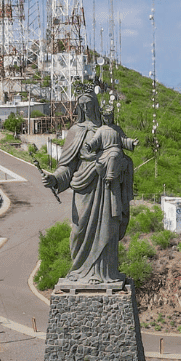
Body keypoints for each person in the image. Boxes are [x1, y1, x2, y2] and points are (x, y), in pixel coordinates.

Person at [41, 88, 136, 285]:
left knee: (108, 229)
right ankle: (80, 272)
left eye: (89, 104)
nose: (86, 108)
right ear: (79, 108)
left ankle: (104, 274)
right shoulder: (76, 131)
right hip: (84, 186)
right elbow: (67, 166)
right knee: (79, 230)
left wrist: (120, 165)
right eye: (82, 105)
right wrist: (55, 179)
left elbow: (122, 152)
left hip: (107, 187)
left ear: (96, 105)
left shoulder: (110, 128)